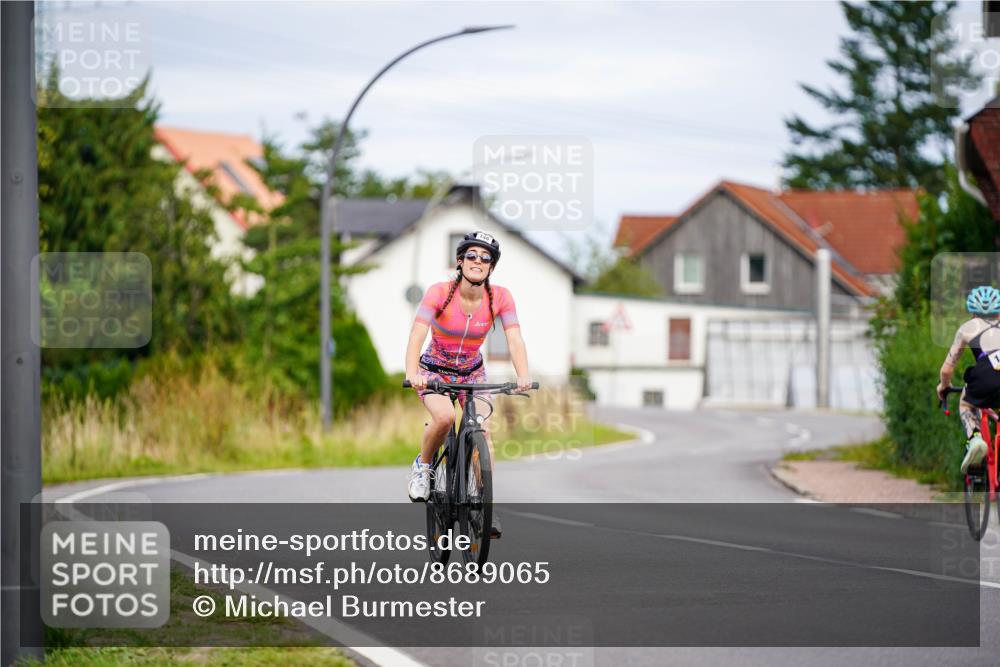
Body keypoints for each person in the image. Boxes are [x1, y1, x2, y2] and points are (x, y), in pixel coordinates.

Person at [404, 231, 532, 538]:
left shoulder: (499, 297)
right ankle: (423, 467)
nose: (478, 261)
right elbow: (417, 334)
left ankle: (483, 506)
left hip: (472, 373)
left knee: (482, 434)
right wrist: (413, 372)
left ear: (491, 267)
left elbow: (513, 337)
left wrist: (523, 374)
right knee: (446, 417)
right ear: (460, 261)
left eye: (485, 258)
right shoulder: (440, 292)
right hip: (434, 370)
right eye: (471, 256)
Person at [937, 285, 1000, 474]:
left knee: (966, 404)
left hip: (985, 378)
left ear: (973, 312)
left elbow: (947, 370)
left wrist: (944, 386)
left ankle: (975, 439)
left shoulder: (967, 329)